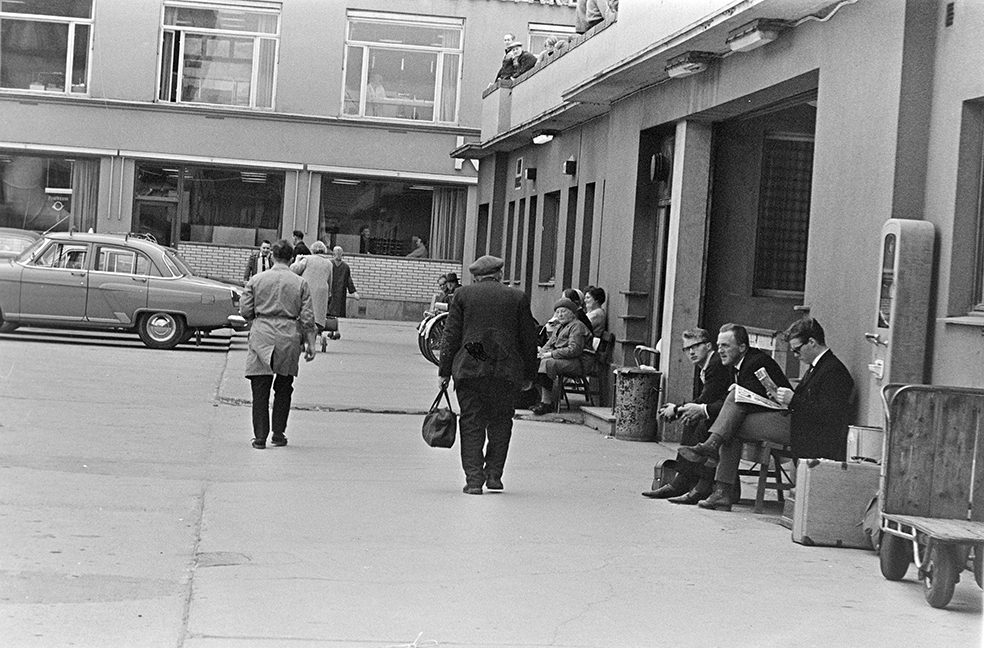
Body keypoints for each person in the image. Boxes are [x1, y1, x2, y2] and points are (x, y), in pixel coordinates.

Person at [439, 254, 538, 495]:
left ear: (475, 276)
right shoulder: (517, 297)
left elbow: (450, 336)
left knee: (471, 423)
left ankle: (474, 480)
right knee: (501, 421)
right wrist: (529, 374)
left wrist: (444, 371)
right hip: (506, 371)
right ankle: (494, 475)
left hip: (470, 370)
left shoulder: (463, 295)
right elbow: (529, 339)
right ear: (500, 275)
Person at [677, 323, 792, 511]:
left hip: (783, 419)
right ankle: (719, 487)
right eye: (719, 345)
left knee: (729, 424)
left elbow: (747, 404)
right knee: (728, 425)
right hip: (764, 417)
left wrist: (729, 397)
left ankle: (718, 481)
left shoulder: (756, 362)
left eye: (726, 346)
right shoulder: (733, 364)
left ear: (742, 347)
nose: (720, 350)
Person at [240, 239, 317, 450]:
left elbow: (245, 310)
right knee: (284, 387)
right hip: (288, 335)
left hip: (261, 335)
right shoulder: (300, 283)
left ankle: (260, 437)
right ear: (292, 258)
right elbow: (308, 317)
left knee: (260, 388)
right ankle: (278, 433)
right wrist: (311, 344)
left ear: (272, 256)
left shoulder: (256, 280)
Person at [641, 328, 730, 502]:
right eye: (687, 348)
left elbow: (706, 399)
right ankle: (684, 482)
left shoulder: (715, 364)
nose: (691, 352)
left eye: (695, 346)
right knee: (692, 418)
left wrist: (676, 410)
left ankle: (685, 482)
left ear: (708, 346)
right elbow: (703, 400)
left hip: (727, 415)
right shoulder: (705, 366)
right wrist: (679, 409)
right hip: (719, 410)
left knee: (695, 420)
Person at [774, 317, 855, 462]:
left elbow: (829, 413)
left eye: (797, 350)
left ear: (812, 342)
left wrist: (793, 400)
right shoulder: (817, 367)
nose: (795, 355)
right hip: (807, 445)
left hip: (818, 449)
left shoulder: (833, 370)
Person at [530, 297, 593, 415]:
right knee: (535, 362)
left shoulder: (577, 326)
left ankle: (546, 403)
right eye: (557, 312)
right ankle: (546, 400)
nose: (560, 315)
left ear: (572, 314)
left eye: (563, 311)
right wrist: (541, 353)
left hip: (578, 362)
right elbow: (550, 343)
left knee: (547, 363)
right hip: (565, 359)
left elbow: (574, 350)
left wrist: (550, 354)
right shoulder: (560, 327)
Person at [290, 240, 334, 341]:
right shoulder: (329, 263)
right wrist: (329, 293)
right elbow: (330, 280)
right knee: (317, 316)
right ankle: (313, 335)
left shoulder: (306, 259)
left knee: (305, 312)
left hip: (307, 289)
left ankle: (303, 337)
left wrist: (296, 260)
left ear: (312, 250)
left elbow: (293, 270)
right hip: (322, 291)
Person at [327, 246, 360, 339]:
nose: (338, 255)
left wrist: (354, 292)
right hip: (330, 291)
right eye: (336, 253)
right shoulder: (329, 264)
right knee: (331, 313)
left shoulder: (345, 267)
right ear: (333, 254)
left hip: (339, 293)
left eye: (339, 253)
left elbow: (349, 280)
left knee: (335, 313)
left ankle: (336, 331)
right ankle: (331, 330)